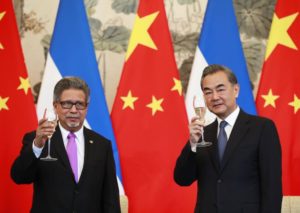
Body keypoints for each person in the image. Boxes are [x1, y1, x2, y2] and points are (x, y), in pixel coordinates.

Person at [174, 64, 282, 213]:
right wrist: (192, 145)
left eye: (220, 89)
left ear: (236, 90)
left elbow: (272, 187)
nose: (215, 97)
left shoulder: (262, 128)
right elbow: (182, 179)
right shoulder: (202, 133)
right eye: (208, 92)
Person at [11, 77, 121, 213]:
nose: (74, 110)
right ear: (55, 106)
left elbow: (110, 197)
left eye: (80, 104)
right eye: (67, 104)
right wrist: (37, 145)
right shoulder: (38, 139)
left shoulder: (102, 145)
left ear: (87, 108)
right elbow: (19, 177)